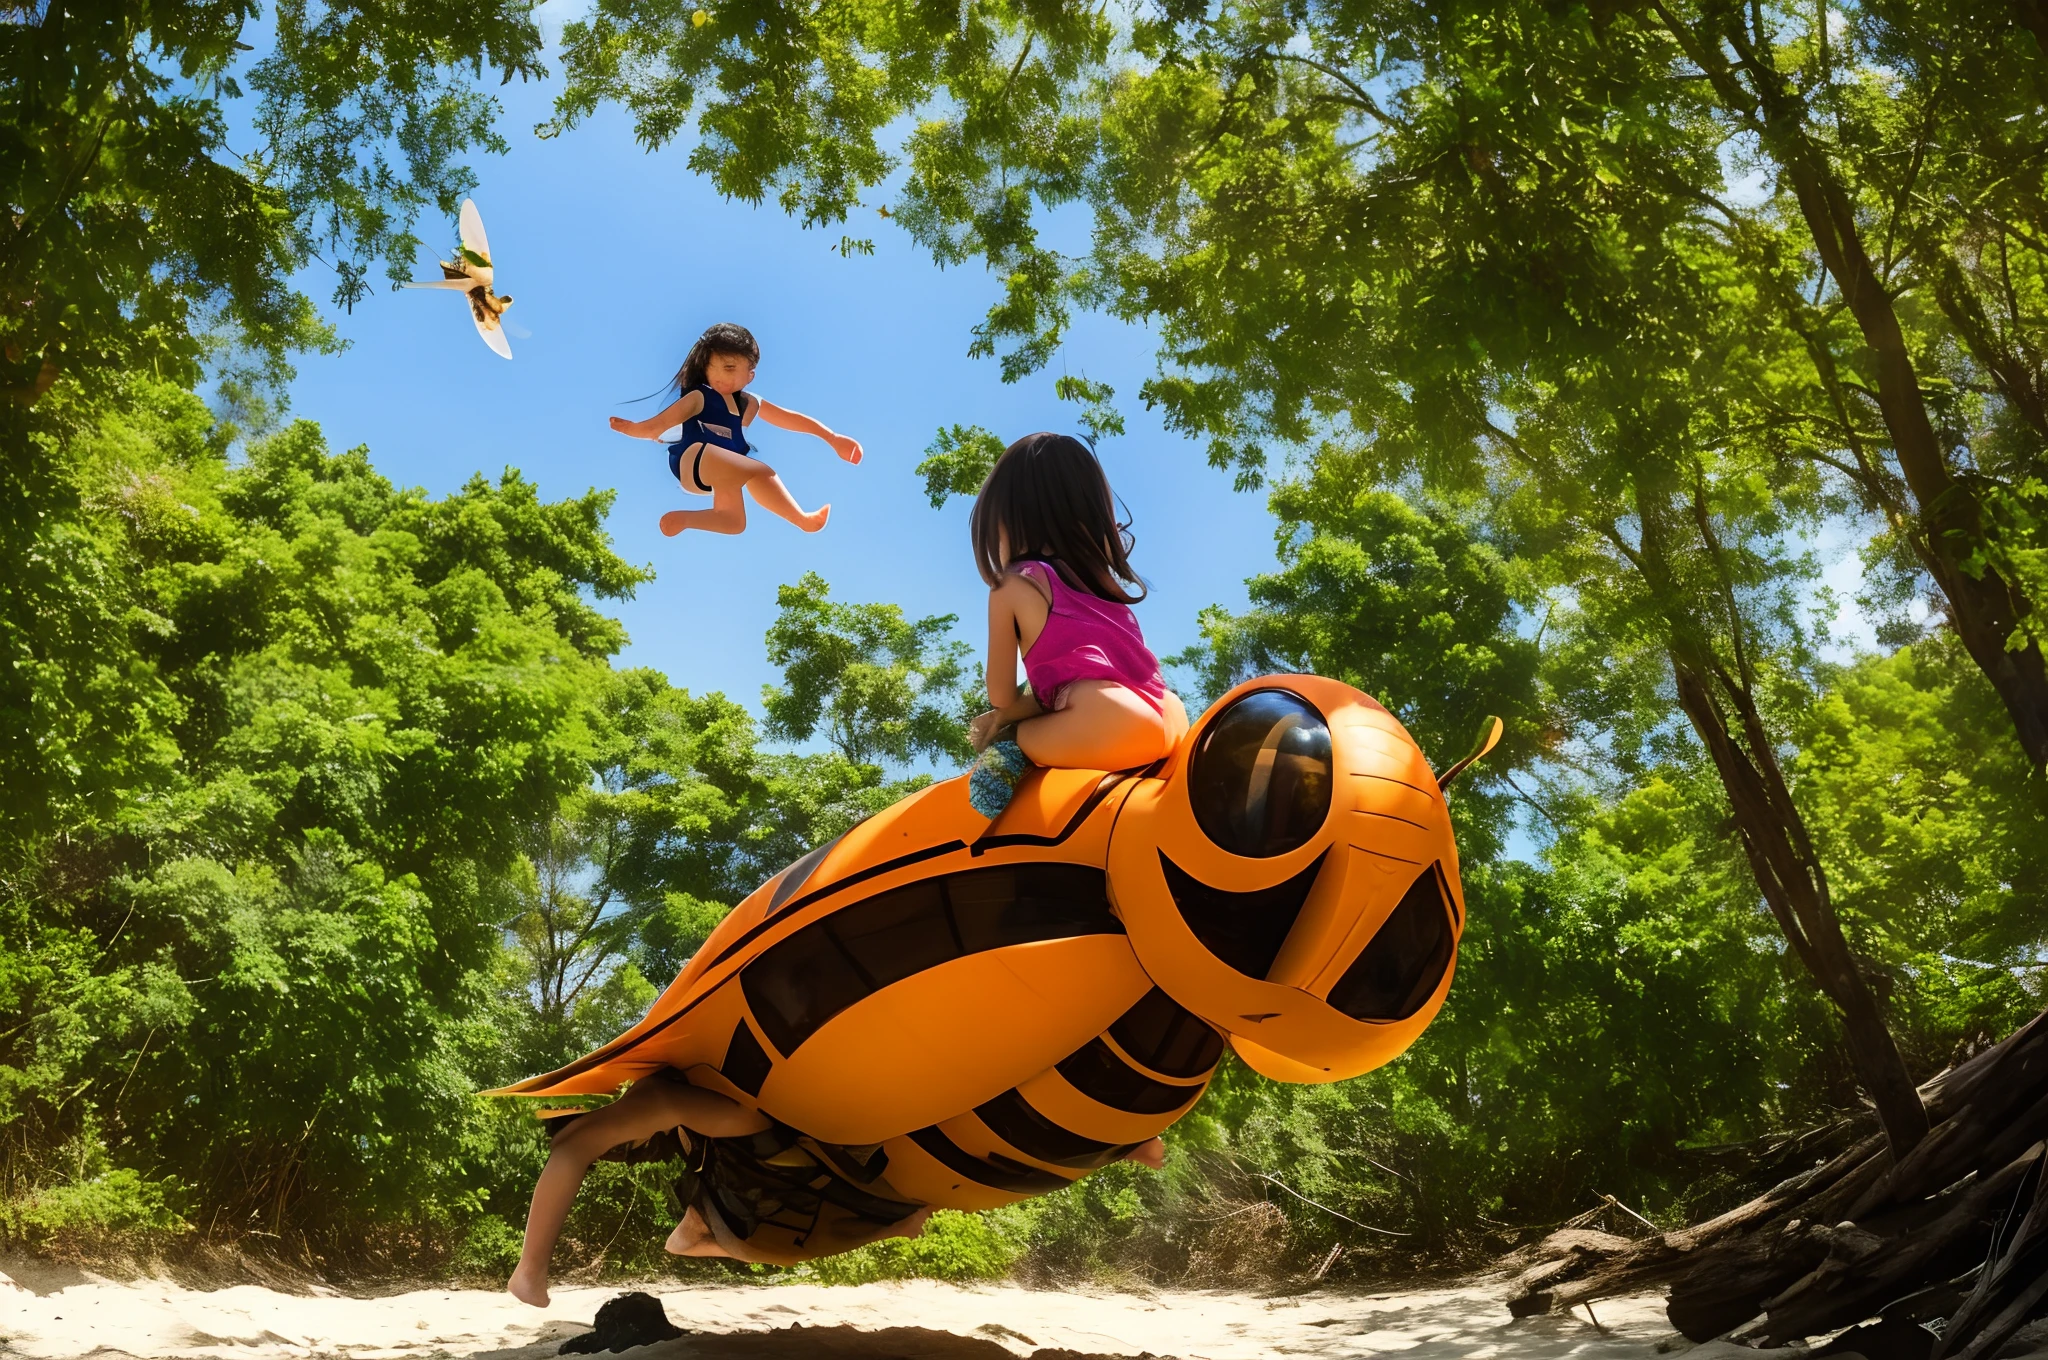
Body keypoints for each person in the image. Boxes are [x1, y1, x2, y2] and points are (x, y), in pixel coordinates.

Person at [965, 433, 1190, 817]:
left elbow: (1000, 695)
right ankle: (1022, 744)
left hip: (1118, 719)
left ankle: (1019, 743)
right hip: (1151, 716)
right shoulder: (1103, 587)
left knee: (1020, 734)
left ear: (1006, 520)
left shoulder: (1012, 586)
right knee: (1138, 725)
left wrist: (1009, 716)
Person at [608, 323, 863, 537]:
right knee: (760, 471)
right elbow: (657, 426)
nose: (720, 376)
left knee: (735, 522)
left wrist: (832, 438)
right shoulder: (699, 397)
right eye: (713, 367)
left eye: (729, 368)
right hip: (693, 461)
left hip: (716, 475)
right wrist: (631, 429)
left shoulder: (748, 404)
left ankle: (684, 520)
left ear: (749, 376)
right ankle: (802, 520)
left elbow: (790, 419)